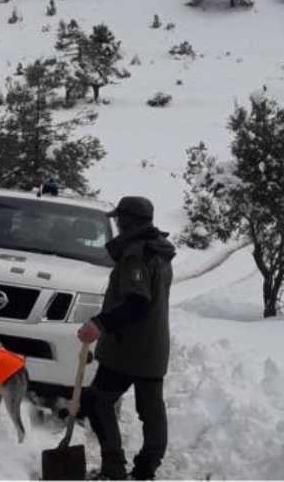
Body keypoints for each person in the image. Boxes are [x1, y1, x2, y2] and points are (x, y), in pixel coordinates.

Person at [76, 195, 176, 481]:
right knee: (151, 410)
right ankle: (145, 470)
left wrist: (100, 323)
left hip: (128, 349)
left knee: (96, 400)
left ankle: (114, 468)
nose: (117, 223)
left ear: (127, 220)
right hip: (153, 348)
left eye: (119, 218)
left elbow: (137, 302)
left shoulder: (136, 254)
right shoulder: (158, 250)